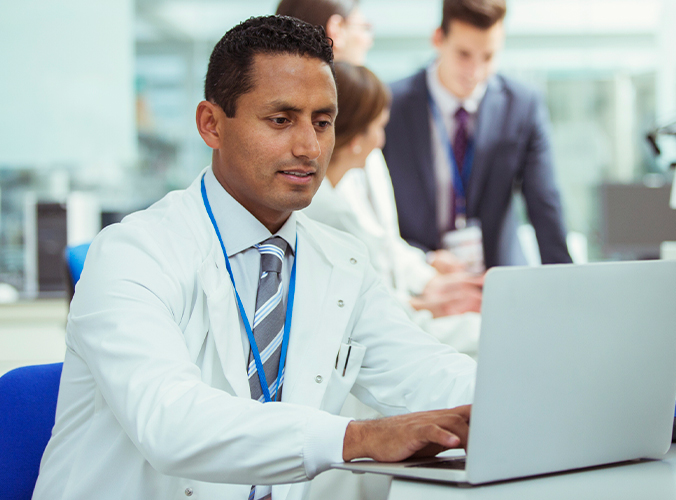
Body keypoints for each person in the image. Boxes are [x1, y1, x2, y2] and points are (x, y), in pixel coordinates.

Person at [32, 16, 475, 500]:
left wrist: (522, 398)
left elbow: (424, 372)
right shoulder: (132, 254)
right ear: (211, 124)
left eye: (322, 122)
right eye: (280, 120)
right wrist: (358, 438)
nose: (309, 147)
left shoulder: (342, 263)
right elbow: (171, 423)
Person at [277, 0, 483, 322]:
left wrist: (428, 276)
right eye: (365, 27)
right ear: (337, 31)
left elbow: (381, 241)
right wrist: (423, 301)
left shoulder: (362, 114)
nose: (369, 39)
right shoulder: (315, 159)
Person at [304, 62, 481, 356]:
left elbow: (386, 249)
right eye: (379, 128)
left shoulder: (331, 199)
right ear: (357, 138)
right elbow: (375, 315)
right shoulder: (331, 214)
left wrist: (430, 287)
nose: (382, 140)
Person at [383, 0, 573, 268]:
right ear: (438, 38)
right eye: (464, 54)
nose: (475, 71)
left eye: (488, 56)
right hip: (418, 279)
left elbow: (545, 204)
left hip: (498, 279)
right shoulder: (391, 106)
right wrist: (421, 262)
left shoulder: (522, 106)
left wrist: (567, 285)